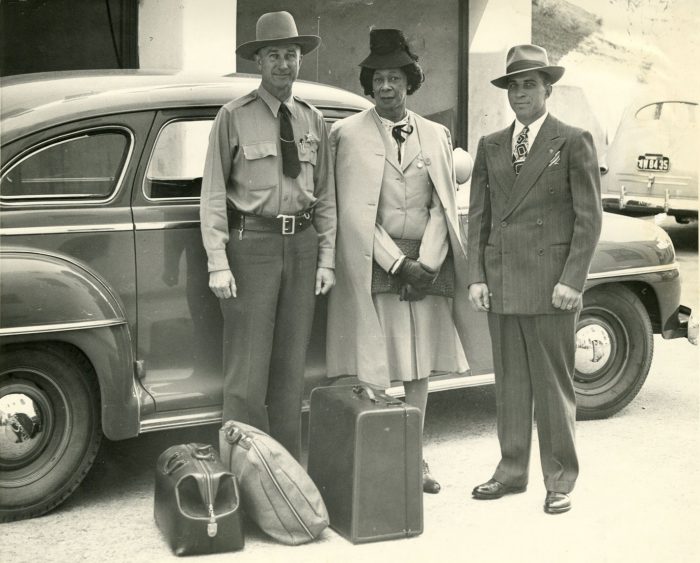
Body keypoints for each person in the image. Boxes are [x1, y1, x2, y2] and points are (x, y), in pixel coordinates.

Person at [326, 28, 488, 494]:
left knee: (420, 365)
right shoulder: (346, 135)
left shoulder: (436, 134)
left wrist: (430, 262)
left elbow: (443, 203)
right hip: (377, 261)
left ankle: (412, 458)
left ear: (410, 81)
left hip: (428, 264)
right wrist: (398, 264)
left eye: (395, 77)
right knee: (377, 362)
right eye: (377, 78)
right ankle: (380, 458)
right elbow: (353, 211)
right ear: (368, 83)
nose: (386, 86)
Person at [466, 44, 602, 514]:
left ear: (548, 88)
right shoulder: (491, 145)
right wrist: (476, 277)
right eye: (513, 85)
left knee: (553, 386)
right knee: (509, 385)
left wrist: (573, 280)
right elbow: (479, 218)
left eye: (530, 84)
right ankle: (511, 471)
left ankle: (560, 479)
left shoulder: (572, 139)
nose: (520, 93)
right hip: (502, 282)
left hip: (552, 287)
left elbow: (589, 219)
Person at [199, 11, 336, 461]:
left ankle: (286, 476)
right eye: (274, 54)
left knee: (291, 369)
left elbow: (326, 198)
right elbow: (214, 194)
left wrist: (326, 258)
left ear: (301, 61)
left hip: (301, 246)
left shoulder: (313, 120)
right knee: (247, 372)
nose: (283, 64)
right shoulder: (233, 116)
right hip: (251, 247)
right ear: (258, 61)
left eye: (291, 55)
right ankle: (243, 473)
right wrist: (218, 261)